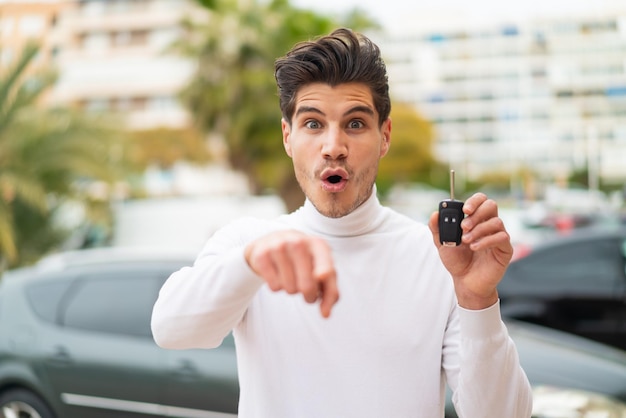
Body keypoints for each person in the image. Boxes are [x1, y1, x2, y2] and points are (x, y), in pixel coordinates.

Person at [151, 28, 533, 417]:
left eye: (354, 124)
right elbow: (171, 330)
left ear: (384, 137)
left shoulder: (440, 259)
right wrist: (250, 261)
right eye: (313, 124)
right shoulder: (249, 244)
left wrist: (477, 298)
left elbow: (502, 415)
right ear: (288, 136)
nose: (333, 146)